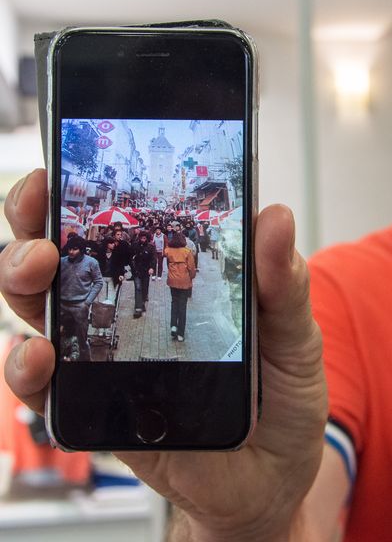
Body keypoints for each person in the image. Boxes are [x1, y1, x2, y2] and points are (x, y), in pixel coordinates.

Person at [0, 169, 329, 541]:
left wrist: (255, 521)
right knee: (178, 311)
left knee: (162, 307)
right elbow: (189, 266)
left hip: (166, 282)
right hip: (180, 284)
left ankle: (167, 325)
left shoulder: (159, 247)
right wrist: (243, 526)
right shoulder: (183, 249)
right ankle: (176, 330)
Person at [59, 235, 103, 361]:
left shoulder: (91, 263)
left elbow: (98, 282)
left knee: (81, 340)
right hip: (62, 305)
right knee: (61, 338)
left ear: (82, 250)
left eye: (75, 249)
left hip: (80, 307)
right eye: (69, 249)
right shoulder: (61, 262)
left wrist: (87, 302)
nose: (71, 252)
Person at [164, 231, 196, 342]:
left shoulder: (168, 251)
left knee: (174, 303)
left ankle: (173, 326)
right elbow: (192, 268)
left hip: (172, 280)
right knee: (182, 307)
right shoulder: (187, 252)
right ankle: (181, 333)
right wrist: (191, 277)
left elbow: (168, 264)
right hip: (184, 281)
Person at [130, 230, 156, 318]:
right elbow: (131, 257)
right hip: (137, 270)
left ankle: (142, 302)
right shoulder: (135, 246)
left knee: (144, 288)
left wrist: (152, 267)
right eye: (142, 238)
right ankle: (138, 308)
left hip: (146, 271)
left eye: (145, 238)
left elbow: (153, 258)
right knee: (138, 288)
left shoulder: (150, 247)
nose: (143, 239)